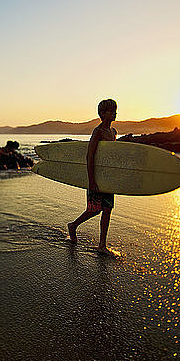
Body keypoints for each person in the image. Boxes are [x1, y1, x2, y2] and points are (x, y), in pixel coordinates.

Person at [67, 99, 117, 254]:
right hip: (96, 177)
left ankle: (102, 245)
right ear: (102, 114)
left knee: (107, 209)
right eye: (111, 110)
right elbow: (90, 156)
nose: (115, 112)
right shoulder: (98, 132)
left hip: (107, 179)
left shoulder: (113, 132)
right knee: (94, 210)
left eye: (115, 109)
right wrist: (91, 180)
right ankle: (73, 226)